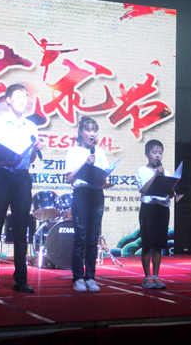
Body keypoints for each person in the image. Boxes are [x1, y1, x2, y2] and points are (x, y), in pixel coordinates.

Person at [0, 84, 42, 295]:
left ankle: (21, 280)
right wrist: (2, 162)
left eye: (25, 98)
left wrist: (34, 151)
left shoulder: (30, 127)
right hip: (1, 177)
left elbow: (30, 160)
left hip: (22, 179)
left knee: (21, 230)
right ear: (8, 99)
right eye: (18, 97)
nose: (22, 101)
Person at [65, 117, 113, 292]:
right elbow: (69, 178)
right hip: (81, 195)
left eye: (94, 130)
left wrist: (104, 182)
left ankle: (90, 277)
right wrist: (85, 164)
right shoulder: (73, 152)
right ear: (81, 132)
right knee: (81, 237)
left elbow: (104, 177)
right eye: (88, 130)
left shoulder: (99, 152)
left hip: (96, 194)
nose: (92, 134)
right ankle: (78, 278)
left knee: (93, 238)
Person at [136, 140, 173, 289]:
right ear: (147, 154)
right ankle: (147, 277)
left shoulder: (166, 172)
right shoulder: (142, 171)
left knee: (158, 244)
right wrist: (157, 175)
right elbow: (143, 189)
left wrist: (172, 188)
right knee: (147, 243)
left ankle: (156, 275)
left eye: (160, 153)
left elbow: (170, 195)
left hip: (162, 209)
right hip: (148, 209)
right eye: (154, 152)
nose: (157, 156)